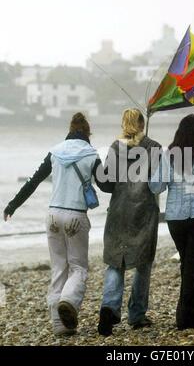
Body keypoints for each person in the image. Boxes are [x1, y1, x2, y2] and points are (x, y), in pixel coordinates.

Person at [3, 113, 103, 336]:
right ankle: (68, 301)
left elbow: (34, 180)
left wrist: (13, 205)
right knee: (77, 267)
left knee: (59, 269)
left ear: (69, 129)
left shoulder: (55, 152)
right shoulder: (91, 154)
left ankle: (60, 325)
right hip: (76, 216)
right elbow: (106, 185)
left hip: (52, 216)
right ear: (87, 132)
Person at [149, 114, 194, 330]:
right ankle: (185, 318)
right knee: (192, 265)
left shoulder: (168, 156)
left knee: (188, 264)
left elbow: (156, 187)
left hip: (176, 218)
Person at [97, 108, 161, 336]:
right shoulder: (154, 147)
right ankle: (136, 315)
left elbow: (106, 184)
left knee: (116, 261)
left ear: (124, 124)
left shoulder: (115, 147)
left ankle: (109, 307)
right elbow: (157, 183)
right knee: (143, 263)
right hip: (144, 211)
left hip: (119, 211)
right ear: (143, 124)